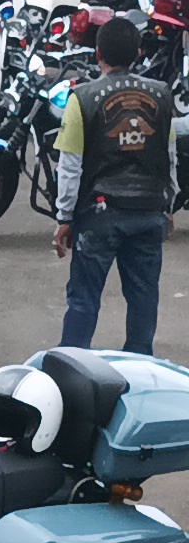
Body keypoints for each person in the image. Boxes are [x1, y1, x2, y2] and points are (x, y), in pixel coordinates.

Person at [53, 18, 176, 356]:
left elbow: (70, 165)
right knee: (143, 296)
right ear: (138, 53)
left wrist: (65, 217)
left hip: (99, 214)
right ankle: (140, 363)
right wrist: (167, 206)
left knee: (84, 298)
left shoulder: (82, 98)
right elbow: (169, 158)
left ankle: (72, 363)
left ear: (98, 53)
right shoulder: (162, 95)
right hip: (149, 210)